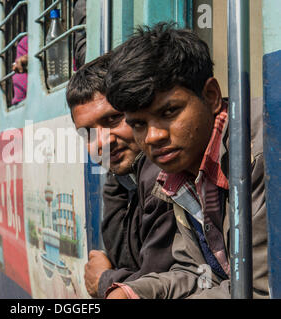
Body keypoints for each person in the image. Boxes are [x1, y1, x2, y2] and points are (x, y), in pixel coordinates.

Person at [105, 22, 268, 299]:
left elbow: (260, 290)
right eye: (139, 124)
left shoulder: (259, 156)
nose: (153, 137)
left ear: (211, 96)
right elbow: (198, 272)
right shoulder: (176, 174)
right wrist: (132, 293)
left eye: (170, 111)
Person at [66, 53, 177, 298]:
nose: (102, 143)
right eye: (87, 133)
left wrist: (105, 279)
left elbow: (159, 284)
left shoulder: (167, 177)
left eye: (113, 119)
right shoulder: (120, 181)